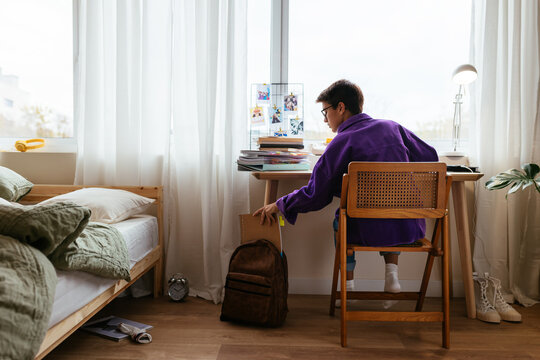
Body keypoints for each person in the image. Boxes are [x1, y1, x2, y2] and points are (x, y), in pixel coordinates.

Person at [254, 79, 438, 296]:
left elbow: (315, 194)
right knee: (390, 208)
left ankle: (348, 287)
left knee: (342, 217)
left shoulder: (341, 141)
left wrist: (280, 203)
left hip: (366, 229)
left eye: (325, 112)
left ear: (340, 108)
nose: (325, 120)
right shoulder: (392, 127)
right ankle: (392, 274)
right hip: (408, 224)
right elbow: (430, 156)